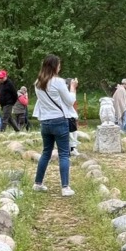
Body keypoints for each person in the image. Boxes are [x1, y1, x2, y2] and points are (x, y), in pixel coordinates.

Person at [32, 54, 78, 195]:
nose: (60, 67)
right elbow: (70, 101)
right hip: (59, 120)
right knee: (64, 154)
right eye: (59, 64)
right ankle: (65, 187)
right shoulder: (58, 82)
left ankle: (38, 183)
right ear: (54, 66)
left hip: (45, 121)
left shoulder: (37, 83)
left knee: (46, 152)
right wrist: (73, 87)